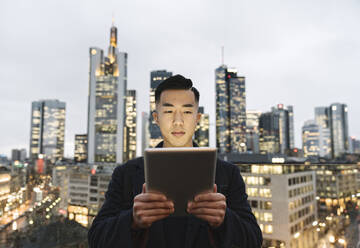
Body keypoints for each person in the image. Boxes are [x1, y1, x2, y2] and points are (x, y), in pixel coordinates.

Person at [88, 74, 262, 248]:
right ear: (156, 118)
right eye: (169, 111)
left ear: (197, 119)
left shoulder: (228, 174)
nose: (178, 122)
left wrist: (225, 220)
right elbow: (96, 239)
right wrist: (132, 220)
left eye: (187, 112)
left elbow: (254, 240)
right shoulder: (125, 174)